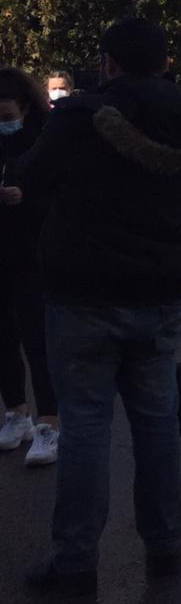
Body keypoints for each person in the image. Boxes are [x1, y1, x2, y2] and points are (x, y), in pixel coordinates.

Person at [20, 19, 181, 594]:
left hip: (83, 292)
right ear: (165, 61)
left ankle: (75, 560)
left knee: (85, 425)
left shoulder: (81, 117)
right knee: (158, 422)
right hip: (160, 289)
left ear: (109, 63)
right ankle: (166, 545)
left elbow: (32, 176)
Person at [0, 68, 57, 467]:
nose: (4, 124)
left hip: (33, 255)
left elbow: (59, 195)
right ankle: (15, 412)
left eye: (7, 116)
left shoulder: (42, 142)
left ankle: (49, 422)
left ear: (24, 108)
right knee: (3, 338)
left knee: (38, 339)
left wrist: (26, 197)